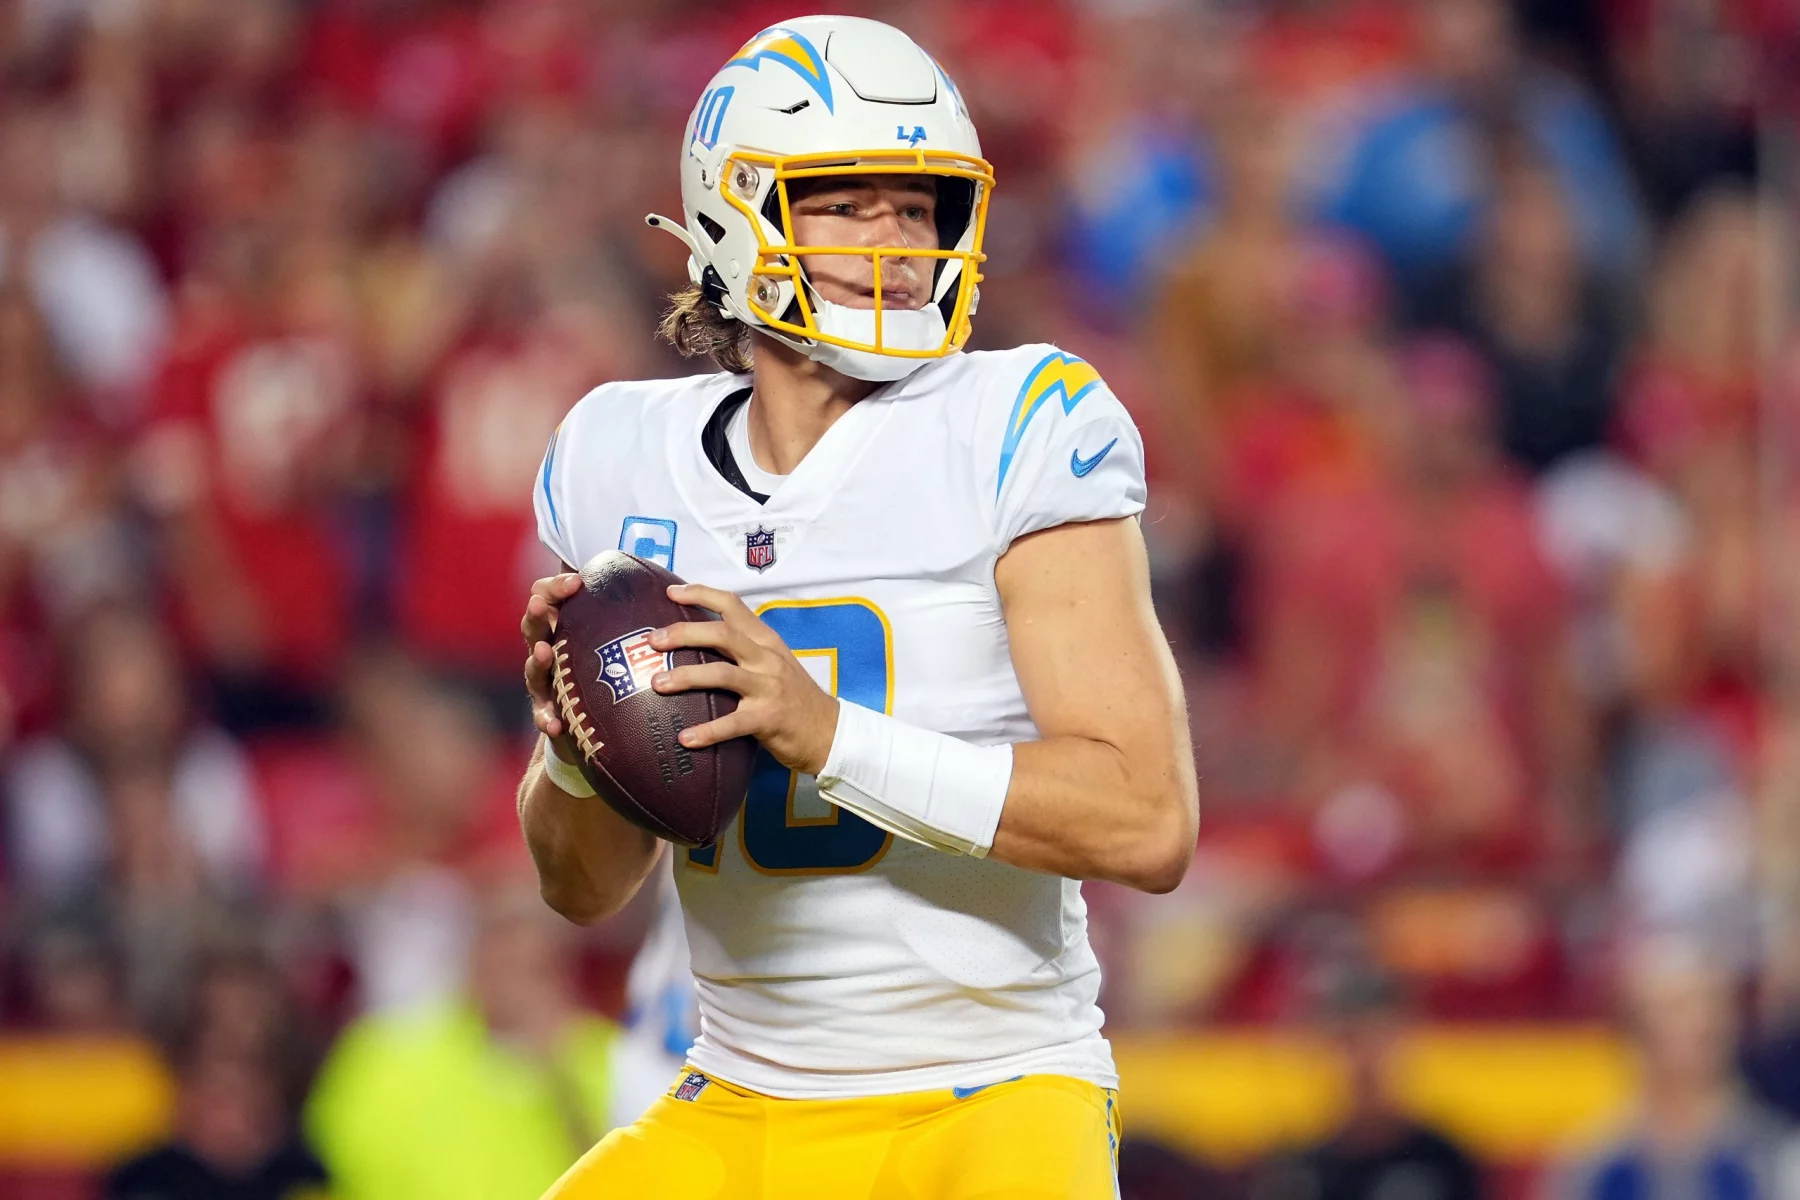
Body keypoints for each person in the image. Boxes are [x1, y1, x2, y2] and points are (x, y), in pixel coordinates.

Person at [515, 16, 1197, 1199]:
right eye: (846, 203)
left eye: (917, 206)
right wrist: (577, 761)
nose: (894, 239)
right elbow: (581, 891)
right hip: (739, 1099)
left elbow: (1147, 819)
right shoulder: (616, 457)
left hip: (989, 1091)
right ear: (733, 216)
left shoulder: (1017, 421)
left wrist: (829, 736)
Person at [304, 885, 619, 1200]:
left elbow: (626, 1177)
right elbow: (328, 1160)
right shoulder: (388, 1050)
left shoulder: (612, 1060)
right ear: (473, 963)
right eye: (500, 966)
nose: (511, 988)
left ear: (561, 975)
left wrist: (560, 1077)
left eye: (529, 971)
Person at [1253, 971, 1480, 1200]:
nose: (1363, 1060)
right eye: (1348, 1040)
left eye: (1378, 1041)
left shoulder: (1443, 1163)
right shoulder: (1295, 1172)